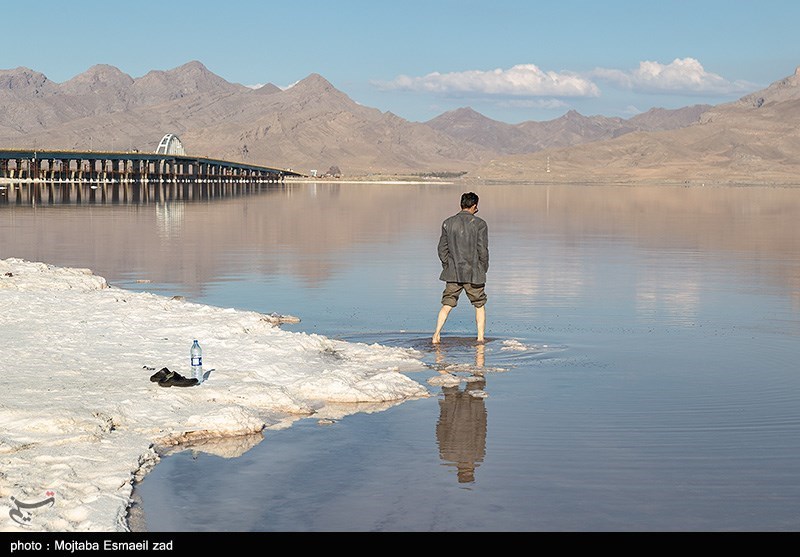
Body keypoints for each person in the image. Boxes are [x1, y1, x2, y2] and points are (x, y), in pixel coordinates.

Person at [432, 192, 488, 344]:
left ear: (461, 204)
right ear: (475, 206)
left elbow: (441, 249)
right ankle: (480, 339)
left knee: (447, 303)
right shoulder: (480, 224)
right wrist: (483, 268)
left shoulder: (447, 223)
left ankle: (436, 334)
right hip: (474, 273)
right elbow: (482, 250)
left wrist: (447, 266)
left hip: (453, 273)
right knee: (479, 304)